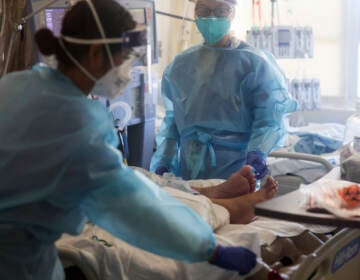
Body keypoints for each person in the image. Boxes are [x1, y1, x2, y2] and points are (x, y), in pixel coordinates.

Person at [0, 1, 263, 279]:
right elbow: (134, 208)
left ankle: (214, 199)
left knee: (158, 184)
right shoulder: (79, 126)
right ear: (95, 53)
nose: (127, 70)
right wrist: (209, 250)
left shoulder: (13, 85)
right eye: (124, 57)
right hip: (16, 263)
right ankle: (219, 203)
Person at [150, 0, 298, 181]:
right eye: (204, 10)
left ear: (232, 13)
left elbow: (269, 118)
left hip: (238, 171)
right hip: (190, 172)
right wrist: (164, 160)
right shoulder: (180, 66)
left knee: (231, 207)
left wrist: (258, 152)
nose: (211, 17)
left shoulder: (254, 63)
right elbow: (173, 122)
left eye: (220, 10)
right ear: (195, 14)